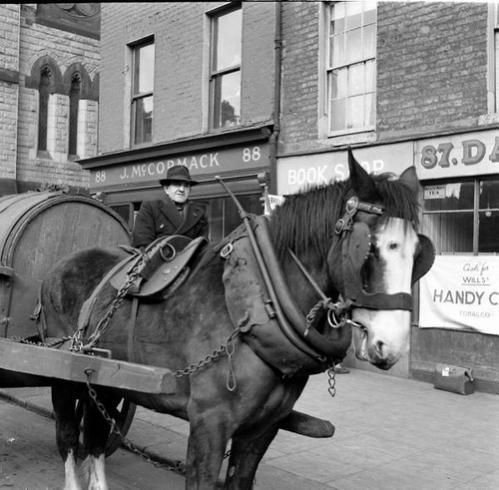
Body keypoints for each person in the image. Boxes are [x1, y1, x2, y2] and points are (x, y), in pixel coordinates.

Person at [132, 165, 208, 249]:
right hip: (159, 259)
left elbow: (203, 247)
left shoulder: (199, 214)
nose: (182, 189)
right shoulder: (151, 207)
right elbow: (143, 243)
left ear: (190, 190)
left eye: (186, 185)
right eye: (177, 184)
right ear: (166, 189)